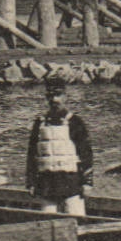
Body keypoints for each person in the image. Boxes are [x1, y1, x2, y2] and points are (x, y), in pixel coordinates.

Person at [26, 77, 94, 215]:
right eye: (50, 96)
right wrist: (31, 183)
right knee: (47, 223)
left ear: (65, 97)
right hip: (47, 184)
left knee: (76, 221)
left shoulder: (75, 122)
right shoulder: (39, 123)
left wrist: (87, 183)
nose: (54, 100)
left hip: (71, 183)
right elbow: (32, 155)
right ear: (46, 98)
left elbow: (86, 154)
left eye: (58, 95)